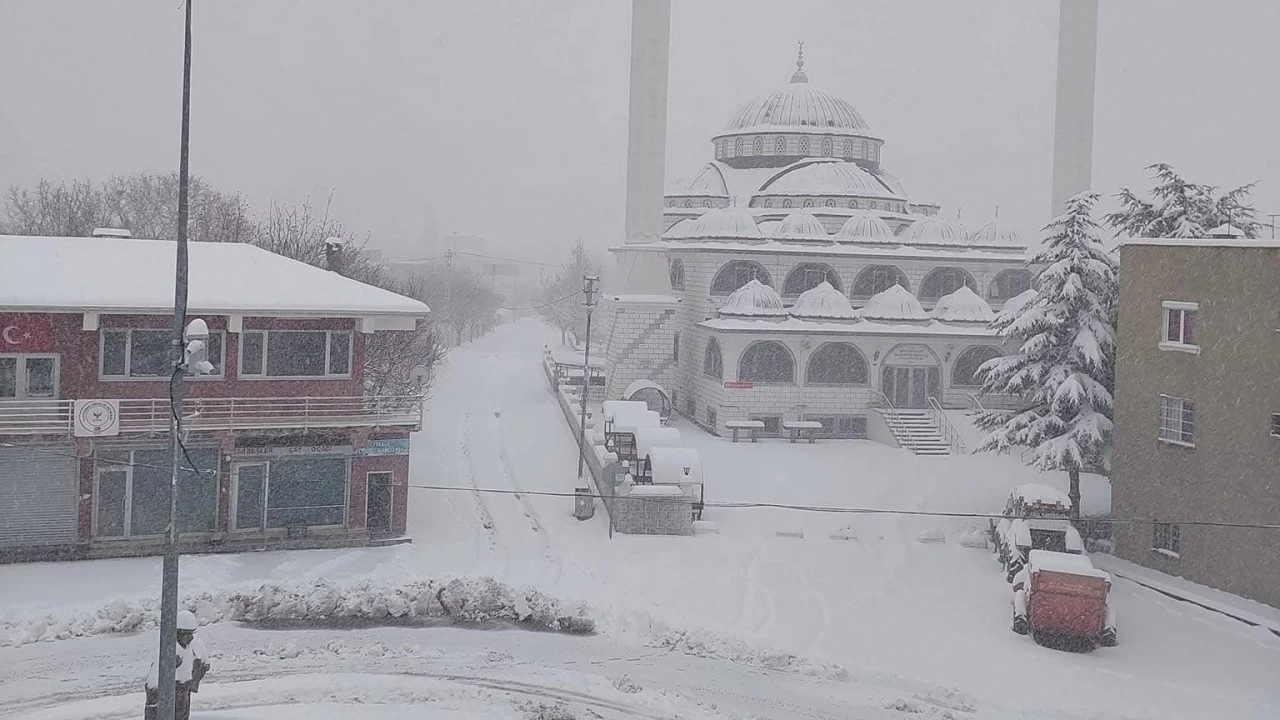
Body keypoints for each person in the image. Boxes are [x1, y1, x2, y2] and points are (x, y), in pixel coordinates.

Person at [144, 610, 210, 720]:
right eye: (187, 634)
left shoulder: (189, 648)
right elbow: (154, 685)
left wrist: (190, 682)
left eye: (191, 634)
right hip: (166, 701)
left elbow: (204, 664)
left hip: (180, 699)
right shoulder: (171, 651)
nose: (190, 638)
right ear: (178, 633)